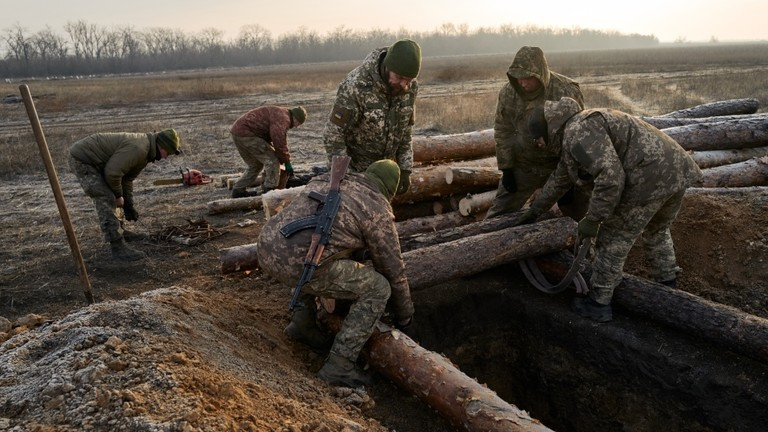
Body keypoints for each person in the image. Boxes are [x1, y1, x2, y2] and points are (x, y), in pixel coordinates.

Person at [513, 97, 702, 322]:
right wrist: (535, 210)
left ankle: (598, 304)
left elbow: (610, 178)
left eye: (538, 139)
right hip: (675, 172)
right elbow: (560, 179)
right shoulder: (576, 131)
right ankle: (668, 284)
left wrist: (593, 219)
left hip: (648, 180)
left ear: (548, 130)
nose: (539, 145)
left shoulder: (578, 133)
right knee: (656, 230)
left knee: (611, 239)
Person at [257, 160, 413, 387]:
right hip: (298, 266)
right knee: (379, 288)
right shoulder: (376, 209)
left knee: (315, 250)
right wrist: (405, 315)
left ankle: (302, 325)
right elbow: (393, 269)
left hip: (266, 247)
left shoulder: (328, 181)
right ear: (390, 189)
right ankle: (339, 365)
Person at [486, 46, 585, 219]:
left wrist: (571, 173)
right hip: (525, 165)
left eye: (527, 78)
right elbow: (503, 130)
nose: (522, 83)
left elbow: (578, 134)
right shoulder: (509, 93)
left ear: (540, 74)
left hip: (559, 165)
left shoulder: (565, 90)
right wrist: (507, 168)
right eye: (518, 79)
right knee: (497, 216)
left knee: (580, 214)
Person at [323, 39, 421, 195]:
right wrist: (346, 178)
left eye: (408, 80)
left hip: (385, 175)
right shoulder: (356, 85)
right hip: (356, 172)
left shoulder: (410, 88)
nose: (404, 84)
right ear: (388, 66)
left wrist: (405, 168)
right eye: (400, 77)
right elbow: (333, 134)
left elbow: (406, 130)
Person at [69, 129, 182, 261]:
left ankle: (121, 231)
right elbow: (113, 173)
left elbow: (126, 180)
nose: (166, 157)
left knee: (114, 192)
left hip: (99, 162)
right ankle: (117, 246)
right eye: (167, 152)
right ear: (160, 145)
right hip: (83, 160)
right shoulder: (139, 148)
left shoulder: (145, 153)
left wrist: (129, 205)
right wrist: (118, 195)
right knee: (107, 197)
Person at [229, 105, 307, 198]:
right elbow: (279, 142)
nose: (296, 126)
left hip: (237, 133)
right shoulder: (283, 118)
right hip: (248, 134)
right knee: (273, 161)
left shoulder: (282, 113)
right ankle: (270, 192)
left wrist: (283, 157)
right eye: (297, 123)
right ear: (294, 117)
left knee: (255, 165)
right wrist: (287, 162)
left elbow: (271, 139)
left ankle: (238, 190)